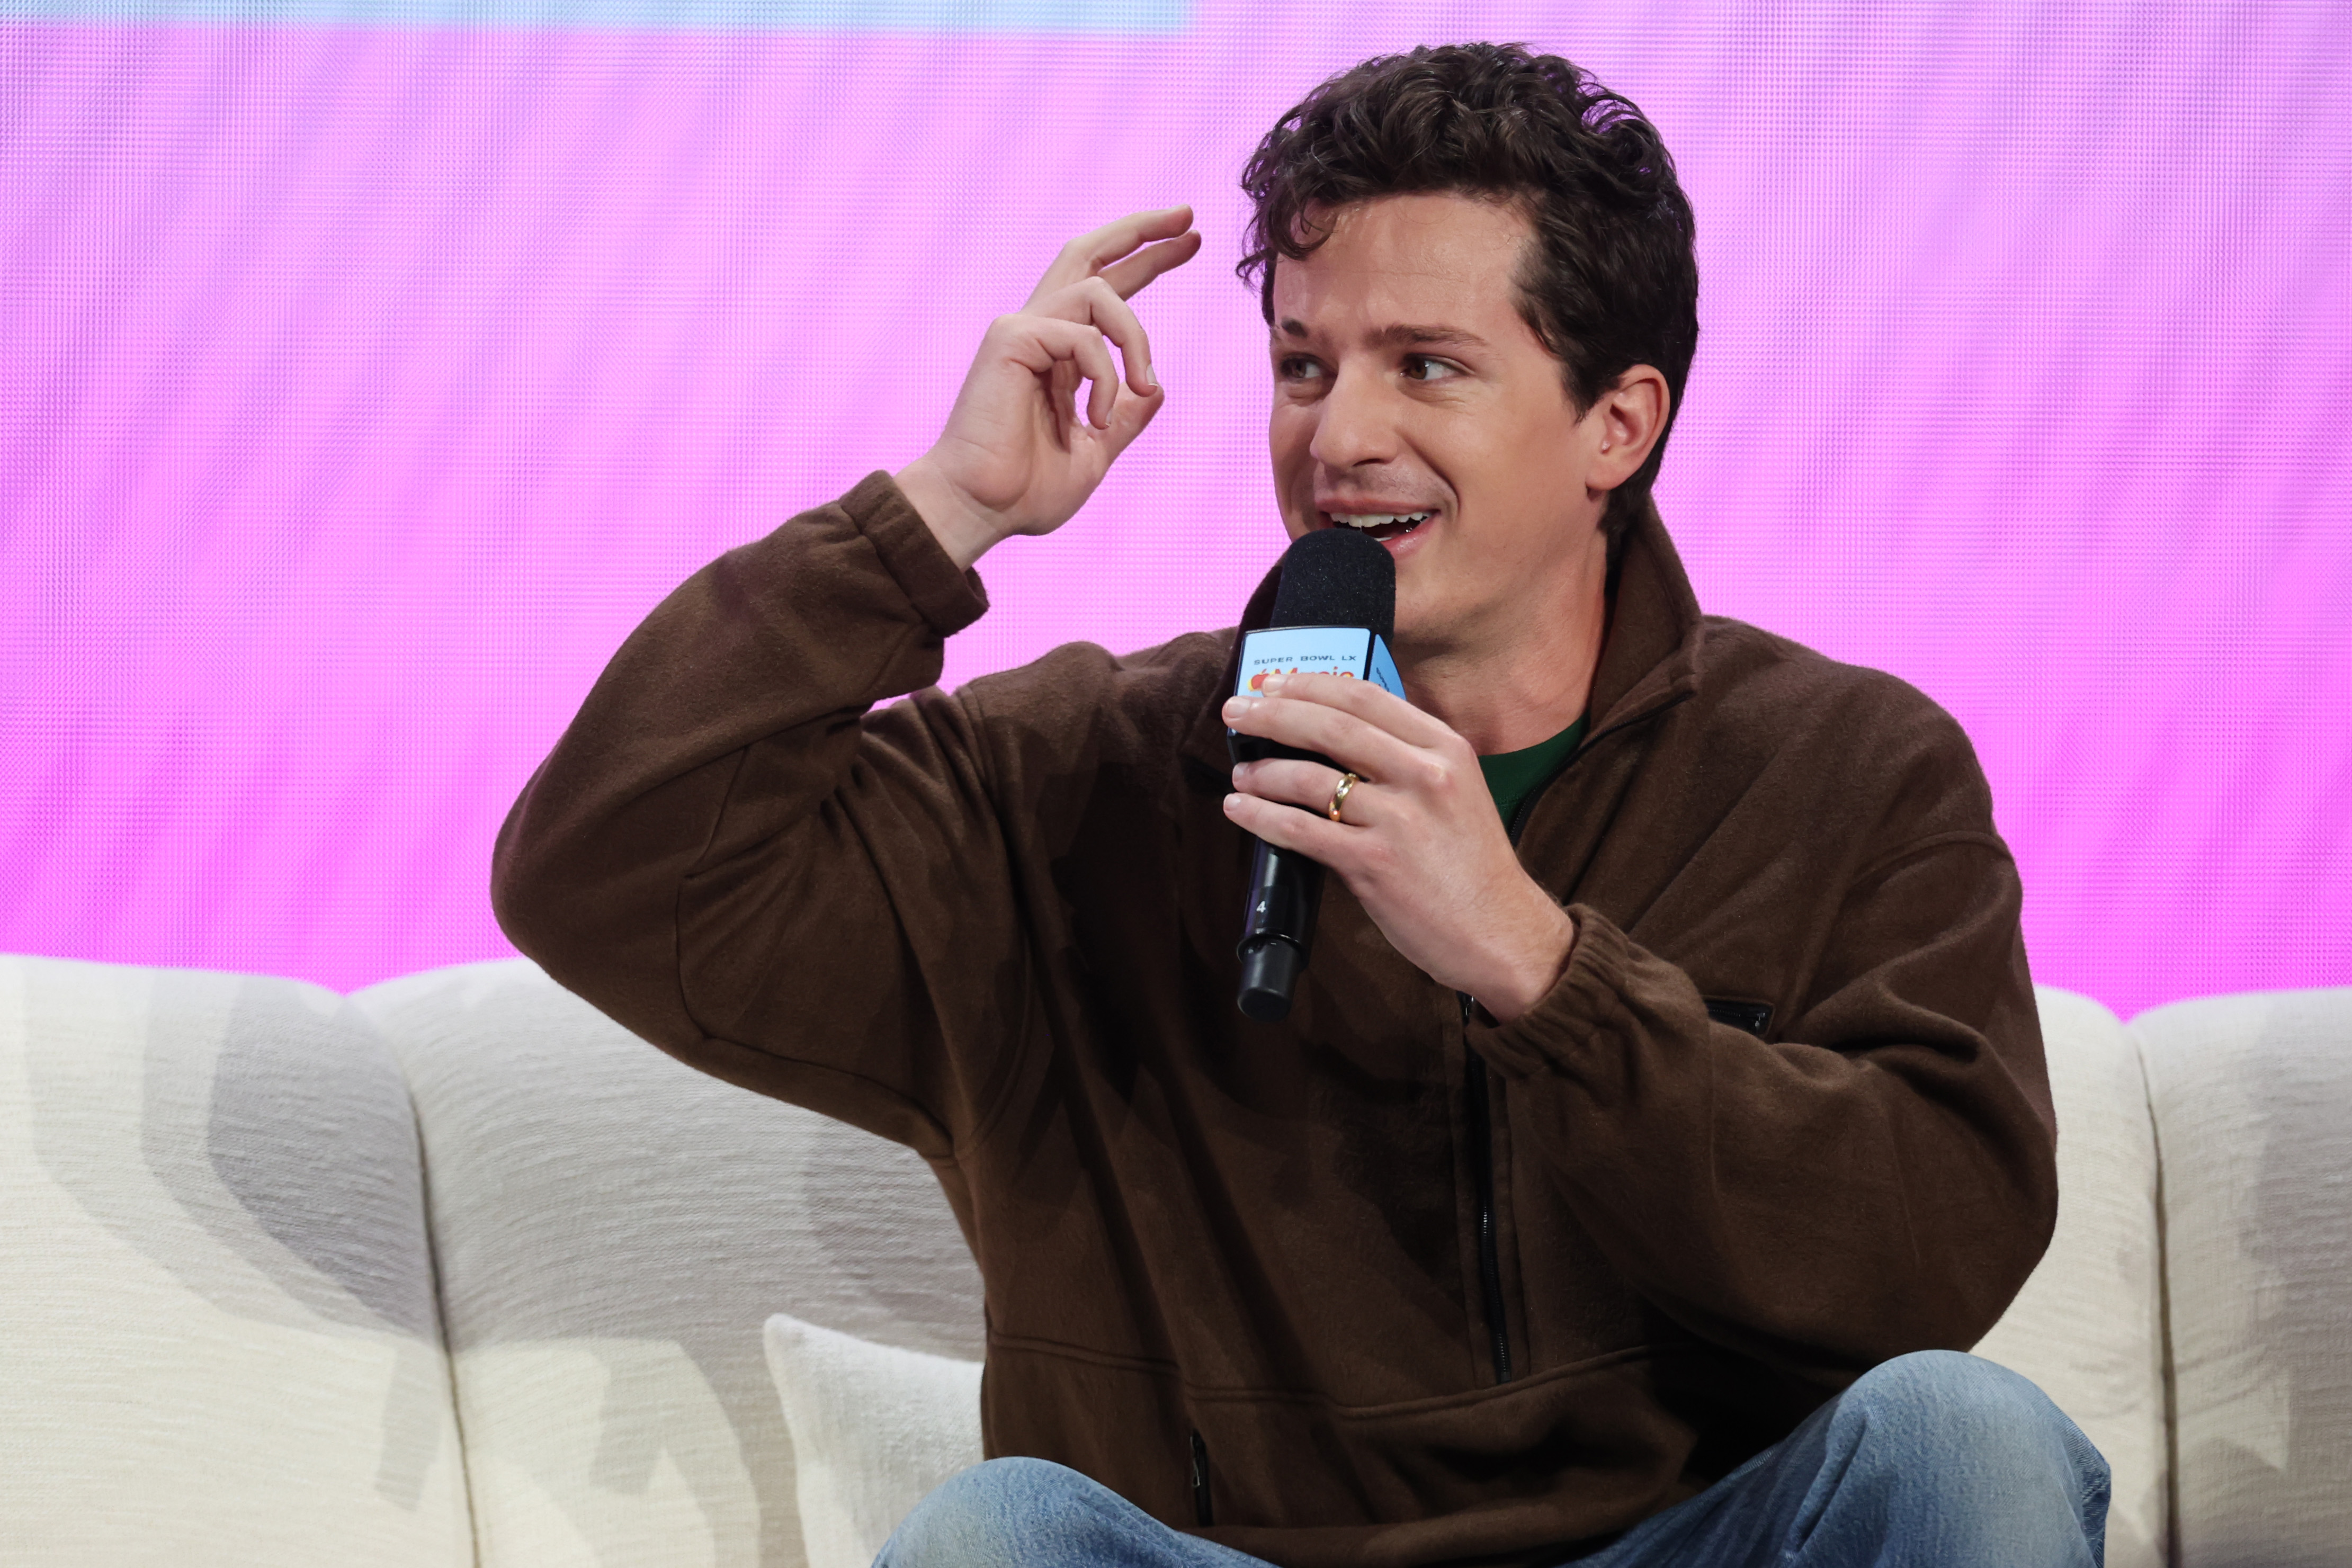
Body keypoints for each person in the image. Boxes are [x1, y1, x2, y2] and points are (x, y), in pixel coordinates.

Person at [492, 42, 2109, 1568]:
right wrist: (942, 514)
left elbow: (1934, 1245)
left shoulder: (1842, 767)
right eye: (1300, 365)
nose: (1337, 437)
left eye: (1426, 366)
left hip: (1691, 1535)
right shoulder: (1085, 774)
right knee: (1000, 1533)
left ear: (1617, 421)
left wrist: (1545, 972)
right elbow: (603, 870)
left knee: (1963, 1438)